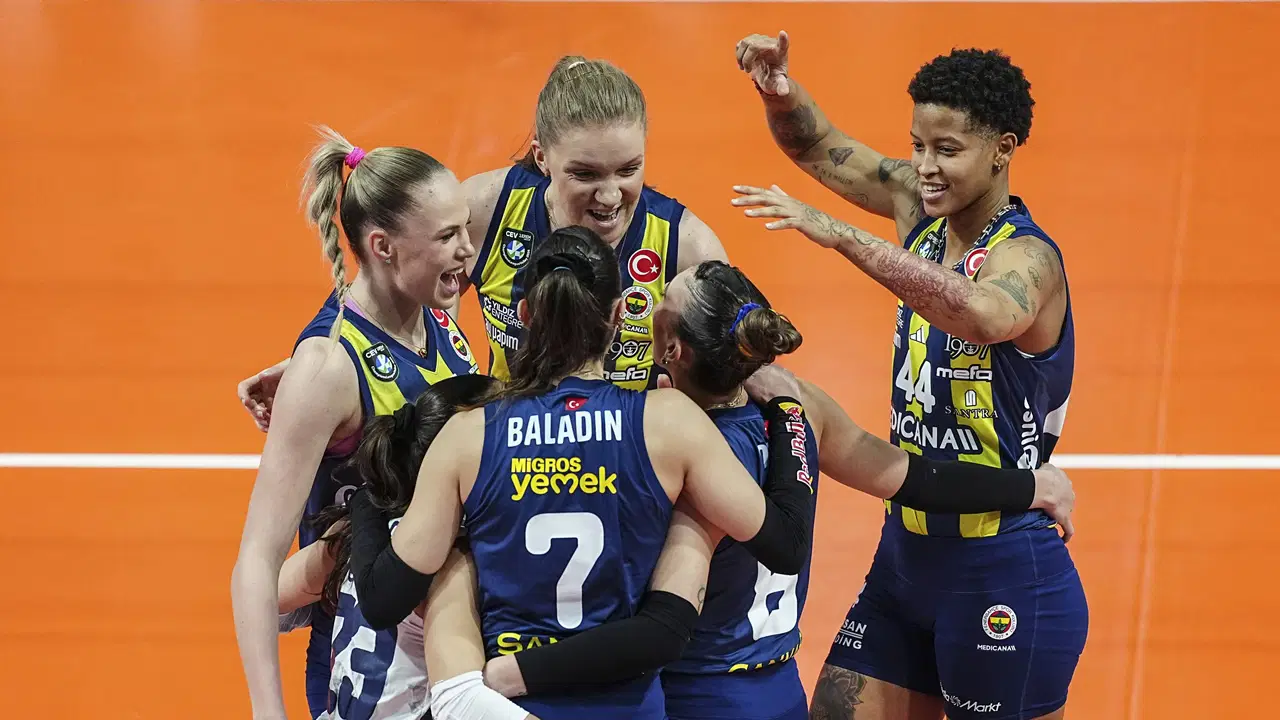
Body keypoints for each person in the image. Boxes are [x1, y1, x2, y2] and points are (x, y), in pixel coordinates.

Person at [340, 234, 1075, 719]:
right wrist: (1026, 485)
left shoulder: (660, 433)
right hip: (773, 684)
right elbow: (909, 478)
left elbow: (665, 623)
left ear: (675, 352)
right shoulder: (769, 411)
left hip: (684, 690)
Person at [732, 33, 1087, 720]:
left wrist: (845, 237)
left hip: (1002, 569)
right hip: (905, 555)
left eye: (946, 150)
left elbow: (982, 315)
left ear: (1003, 149)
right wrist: (778, 91)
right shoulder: (921, 212)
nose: (924, 167)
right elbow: (818, 144)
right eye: (918, 145)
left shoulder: (1030, 259)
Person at [339, 225, 819, 720]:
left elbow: (382, 600)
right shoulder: (669, 422)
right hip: (627, 708)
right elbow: (786, 544)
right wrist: (788, 412)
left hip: (511, 705)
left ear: (525, 314)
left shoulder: (468, 436)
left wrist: (369, 493)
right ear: (619, 315)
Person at [236, 53, 732, 429]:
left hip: (632, 475)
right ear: (542, 157)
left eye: (629, 169)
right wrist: (328, 357)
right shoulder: (487, 210)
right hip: (505, 464)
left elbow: (730, 384)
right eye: (584, 174)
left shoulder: (686, 248)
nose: (609, 196)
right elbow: (394, 284)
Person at [229, 126, 481, 720]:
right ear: (383, 246)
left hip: (447, 644)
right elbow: (256, 563)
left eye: (465, 228)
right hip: (369, 671)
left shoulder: (435, 318)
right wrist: (269, 714)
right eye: (447, 236)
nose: (467, 250)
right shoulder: (327, 370)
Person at [275, 374, 532, 720]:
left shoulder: (352, 530)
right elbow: (462, 700)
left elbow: (270, 598)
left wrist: (335, 602)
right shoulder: (448, 561)